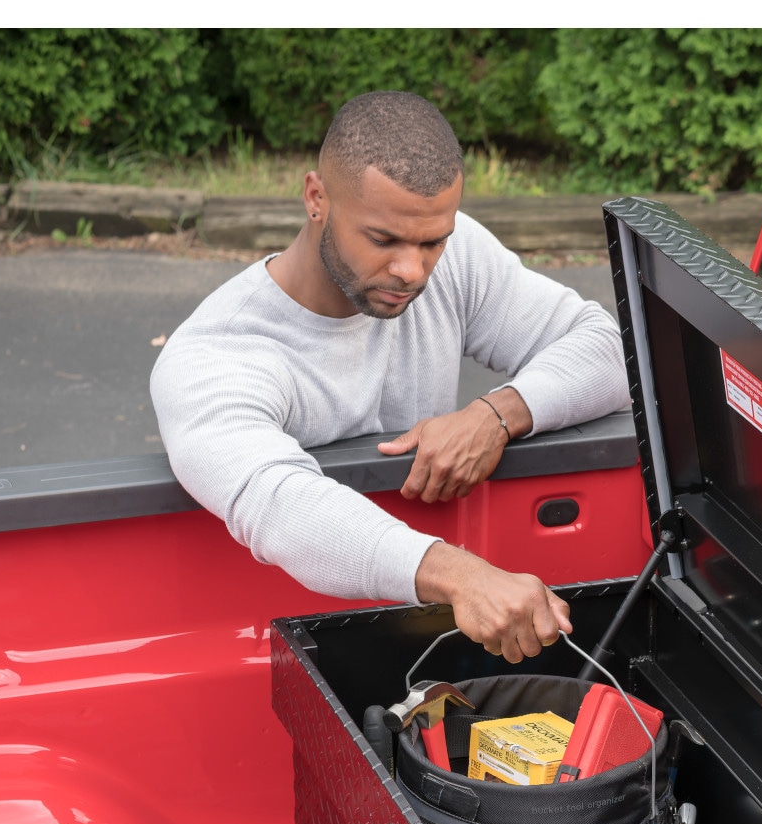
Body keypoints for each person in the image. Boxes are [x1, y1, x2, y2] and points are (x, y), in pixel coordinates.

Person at [152, 91, 630, 662]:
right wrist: (461, 575)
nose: (411, 270)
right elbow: (279, 503)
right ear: (316, 199)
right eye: (383, 241)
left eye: (433, 242)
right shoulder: (215, 355)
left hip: (419, 638)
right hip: (275, 643)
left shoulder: (454, 257)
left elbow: (608, 349)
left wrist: (496, 415)